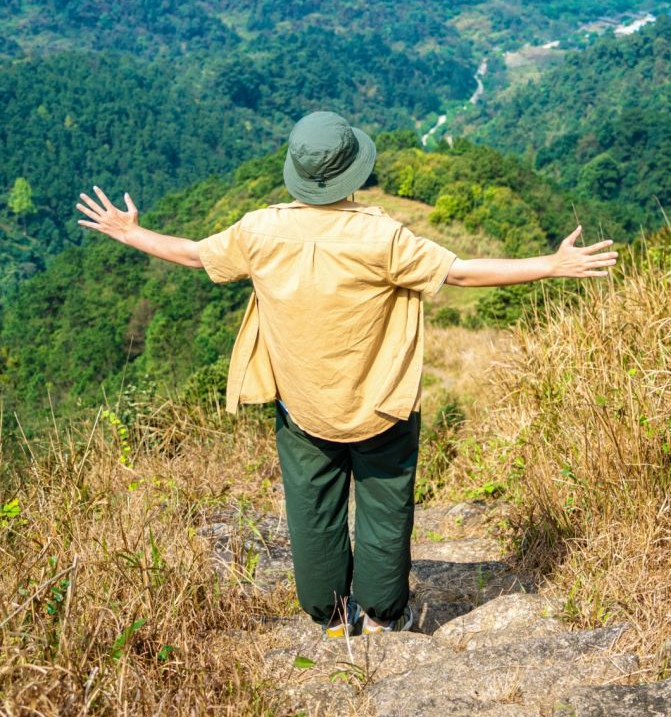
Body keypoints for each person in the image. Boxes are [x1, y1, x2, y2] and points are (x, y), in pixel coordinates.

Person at [75, 110, 618, 638]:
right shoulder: (381, 238)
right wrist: (550, 264)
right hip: (380, 403)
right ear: (352, 170)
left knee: (312, 510)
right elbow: (460, 273)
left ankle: (332, 618)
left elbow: (196, 255)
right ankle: (383, 616)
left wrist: (131, 234)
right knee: (384, 505)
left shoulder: (261, 230)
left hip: (301, 403)